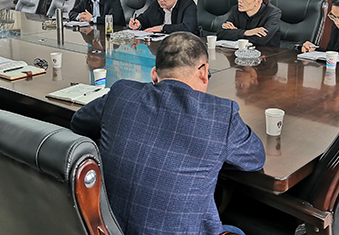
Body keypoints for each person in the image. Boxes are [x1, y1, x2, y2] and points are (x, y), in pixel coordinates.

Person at [70, 32, 265, 235]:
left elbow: (79, 122)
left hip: (108, 229)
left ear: (154, 74)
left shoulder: (121, 93)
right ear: (204, 71)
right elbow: (255, 158)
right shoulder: (220, 115)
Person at [217, 0, 281, 47]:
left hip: (266, 52)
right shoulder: (236, 10)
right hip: (239, 51)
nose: (239, 0)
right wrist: (246, 32)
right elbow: (220, 34)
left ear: (258, 2)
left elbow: (260, 41)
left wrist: (235, 33)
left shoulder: (273, 13)